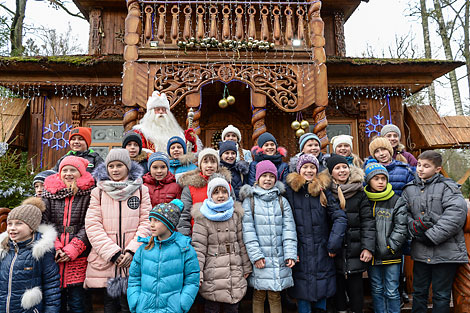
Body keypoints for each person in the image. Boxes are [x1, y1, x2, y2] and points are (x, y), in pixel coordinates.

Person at [85, 148, 151, 313]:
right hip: (107, 260)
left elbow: (147, 222)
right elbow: (93, 225)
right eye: (111, 166)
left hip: (132, 260)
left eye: (119, 165)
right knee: (109, 306)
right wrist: (113, 253)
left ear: (128, 167)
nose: (115, 170)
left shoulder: (141, 191)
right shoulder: (98, 192)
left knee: (129, 306)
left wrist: (131, 251)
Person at [402, 150, 468, 313]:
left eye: (426, 166)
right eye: (418, 165)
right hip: (421, 252)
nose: (420, 169)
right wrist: (415, 229)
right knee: (419, 293)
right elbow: (403, 215)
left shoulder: (448, 188)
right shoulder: (409, 189)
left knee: (441, 295)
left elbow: (455, 215)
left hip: (446, 252)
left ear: (437, 169)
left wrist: (431, 236)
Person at [285, 154, 347, 313]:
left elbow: (340, 217)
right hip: (300, 254)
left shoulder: (322, 190)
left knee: (321, 298)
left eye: (312, 167)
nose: (308, 170)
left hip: (322, 253)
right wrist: (291, 251)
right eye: (305, 167)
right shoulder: (290, 191)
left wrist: (333, 245)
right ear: (299, 169)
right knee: (303, 301)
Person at [240, 160, 297, 313]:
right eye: (264, 176)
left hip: (278, 257)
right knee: (259, 294)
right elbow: (248, 231)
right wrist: (256, 256)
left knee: (275, 295)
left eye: (271, 176)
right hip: (261, 258)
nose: (268, 179)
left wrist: (290, 253)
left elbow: (289, 229)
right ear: (257, 179)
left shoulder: (281, 201)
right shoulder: (250, 201)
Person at [41, 156, 95, 313]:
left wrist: (73, 249)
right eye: (65, 170)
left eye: (73, 170)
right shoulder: (49, 194)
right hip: (55, 253)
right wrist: (56, 246)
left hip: (79, 252)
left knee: (78, 301)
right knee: (57, 300)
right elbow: (44, 222)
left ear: (81, 173)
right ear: (59, 173)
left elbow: (89, 224)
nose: (68, 173)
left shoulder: (88, 194)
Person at [127, 199, 200, 313]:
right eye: (151, 220)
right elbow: (134, 278)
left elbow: (192, 279)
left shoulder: (184, 249)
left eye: (156, 221)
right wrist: (135, 301)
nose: (151, 224)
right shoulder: (144, 249)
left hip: (172, 309)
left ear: (168, 224)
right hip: (145, 308)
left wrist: (182, 303)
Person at [191, 176, 252, 313]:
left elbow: (241, 242)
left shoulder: (235, 215)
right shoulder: (203, 218)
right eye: (216, 192)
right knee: (213, 307)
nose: (220, 196)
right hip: (212, 272)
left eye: (224, 192)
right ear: (210, 194)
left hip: (234, 269)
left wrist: (246, 267)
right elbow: (199, 249)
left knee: (232, 306)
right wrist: (198, 273)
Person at [324, 155, 375, 313]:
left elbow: (367, 222)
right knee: (337, 290)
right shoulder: (325, 193)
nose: (342, 171)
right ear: (331, 172)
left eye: (344, 167)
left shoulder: (359, 192)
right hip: (334, 250)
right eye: (337, 168)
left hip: (356, 248)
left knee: (356, 291)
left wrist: (368, 248)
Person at [0, 197, 61, 313]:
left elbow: (51, 287)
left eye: (19, 224)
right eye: (9, 224)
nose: (12, 228)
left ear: (32, 227)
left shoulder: (41, 251)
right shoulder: (3, 249)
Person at [363, 161, 407, 313]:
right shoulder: (364, 200)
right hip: (372, 255)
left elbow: (401, 227)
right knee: (376, 289)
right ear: (369, 180)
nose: (381, 181)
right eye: (376, 178)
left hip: (391, 254)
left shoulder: (396, 200)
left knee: (392, 290)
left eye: (383, 178)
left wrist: (390, 246)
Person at [177, 148, 233, 236]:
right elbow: (184, 216)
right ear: (200, 165)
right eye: (205, 162)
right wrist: (186, 238)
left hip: (223, 236)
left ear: (218, 165)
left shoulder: (226, 185)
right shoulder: (190, 187)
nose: (209, 165)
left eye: (213, 162)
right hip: (198, 237)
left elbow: (232, 211)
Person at [132, 91, 201, 153]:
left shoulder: (177, 133)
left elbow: (188, 153)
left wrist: (191, 141)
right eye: (157, 109)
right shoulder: (140, 132)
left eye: (164, 110)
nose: (161, 112)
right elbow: (138, 152)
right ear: (150, 113)